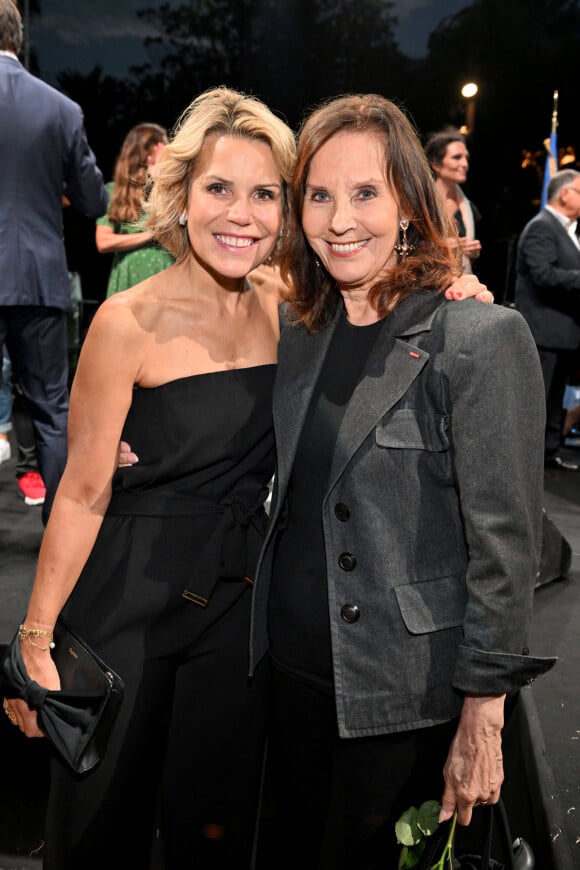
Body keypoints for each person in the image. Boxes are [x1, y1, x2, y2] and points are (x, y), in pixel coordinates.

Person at [2, 83, 490, 869]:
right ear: (182, 195)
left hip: (238, 607)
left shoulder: (294, 304)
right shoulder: (126, 321)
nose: (242, 213)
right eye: (219, 188)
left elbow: (386, 303)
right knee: (101, 826)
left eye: (266, 193)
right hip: (128, 594)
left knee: (218, 823)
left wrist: (454, 292)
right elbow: (85, 490)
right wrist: (35, 636)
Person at [248, 94, 555, 870]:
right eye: (319, 194)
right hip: (290, 682)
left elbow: (506, 543)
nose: (339, 219)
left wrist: (483, 716)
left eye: (365, 194)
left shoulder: (477, 336)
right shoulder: (301, 332)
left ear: (410, 206)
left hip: (405, 704)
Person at [0, 0, 108, 525]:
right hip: (36, 274)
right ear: (18, 39)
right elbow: (93, 202)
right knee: (49, 410)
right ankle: (63, 536)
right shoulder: (61, 109)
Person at [514, 168, 580, 471]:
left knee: (555, 399)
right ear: (565, 193)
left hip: (563, 330)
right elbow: (543, 274)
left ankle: (548, 453)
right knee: (536, 401)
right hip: (542, 330)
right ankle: (525, 461)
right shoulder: (542, 226)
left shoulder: (568, 230)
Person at [96, 122, 175, 297]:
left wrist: (160, 183)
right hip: (130, 273)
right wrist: (149, 235)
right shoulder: (113, 191)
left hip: (164, 269)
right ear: (145, 154)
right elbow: (103, 242)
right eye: (161, 151)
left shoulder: (169, 190)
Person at [425, 127, 482, 274]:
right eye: (457, 157)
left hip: (460, 286)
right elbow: (404, 250)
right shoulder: (420, 204)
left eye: (466, 158)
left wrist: (473, 254)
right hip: (424, 286)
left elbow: (470, 259)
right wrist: (439, 249)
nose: (465, 164)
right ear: (436, 165)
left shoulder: (470, 209)